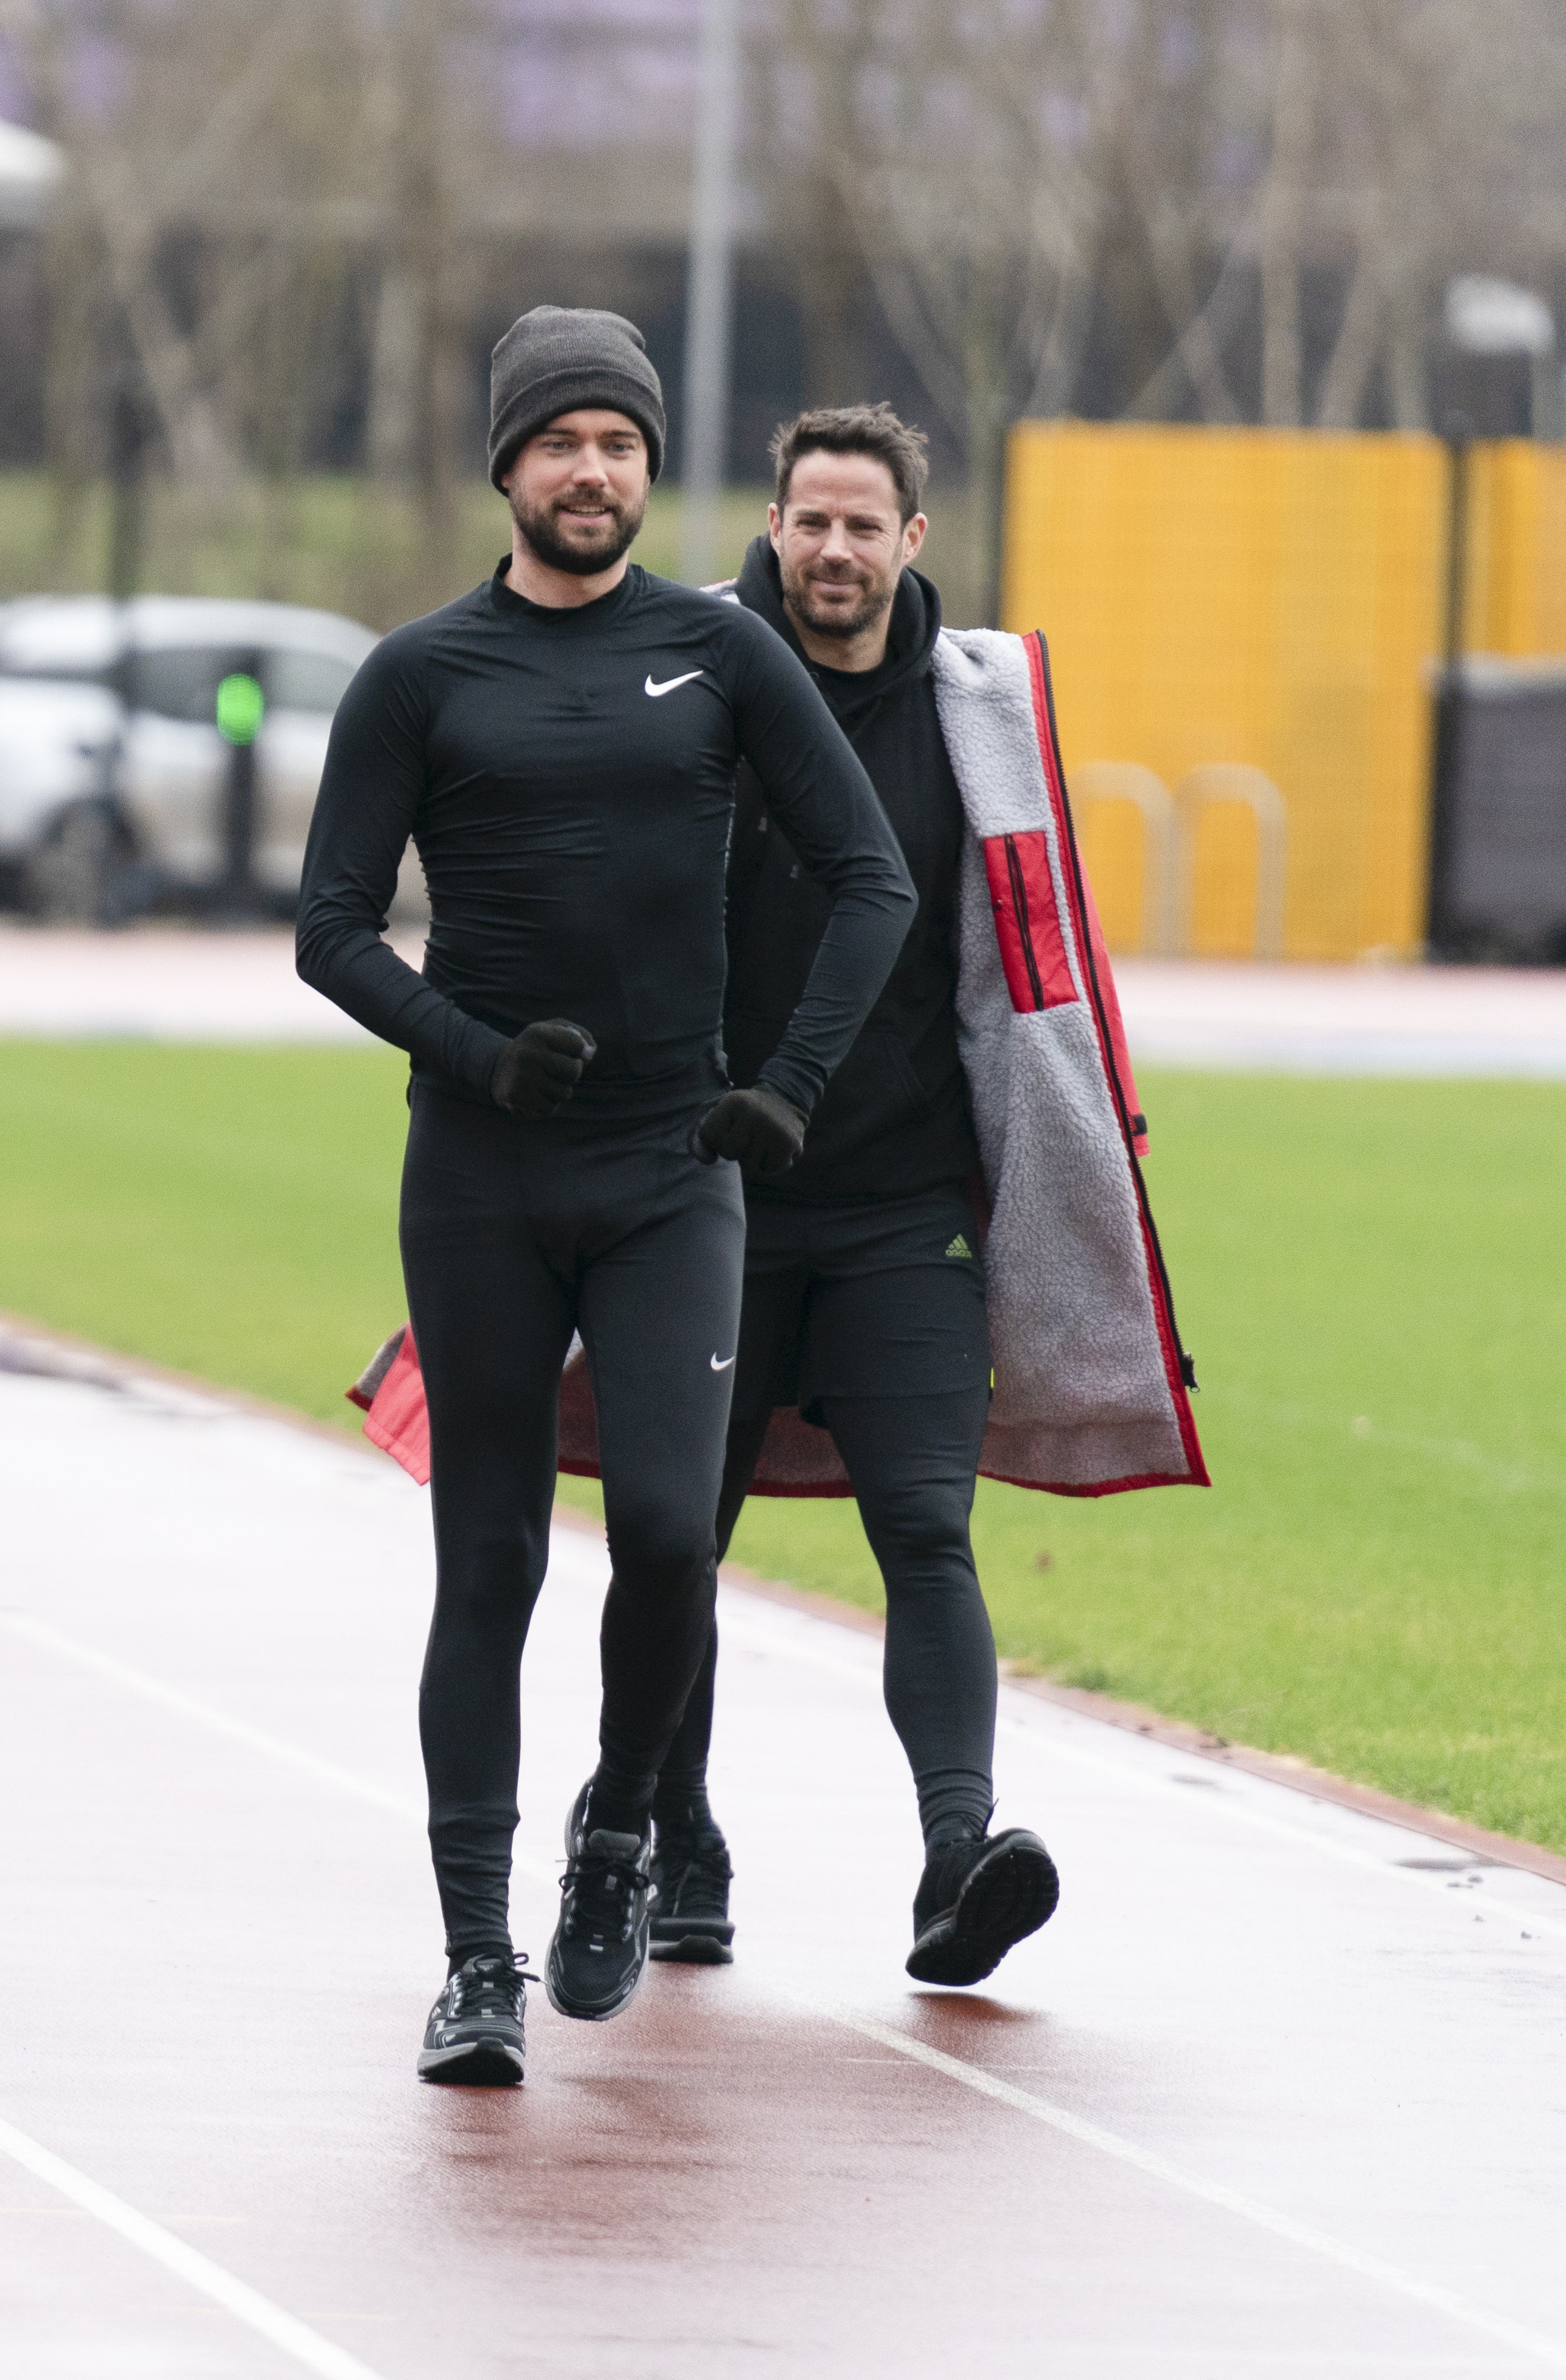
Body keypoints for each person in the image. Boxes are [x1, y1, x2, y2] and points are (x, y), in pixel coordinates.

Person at [296, 308, 913, 2088]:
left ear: (653, 470)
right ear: (507, 466)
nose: (592, 472)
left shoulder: (719, 654)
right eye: (560, 442)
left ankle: (625, 1825)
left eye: (622, 445)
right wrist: (475, 1056)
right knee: (484, 1560)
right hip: (481, 1173)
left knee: (663, 1536)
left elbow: (871, 878)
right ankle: (474, 1958)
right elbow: (331, 928)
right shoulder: (420, 674)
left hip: (669, 1175)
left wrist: (780, 1088)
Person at [642, 404, 1205, 1985]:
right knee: (679, 1539)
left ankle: (960, 1859)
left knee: (928, 1535)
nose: (830, 549)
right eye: (806, 521)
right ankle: (677, 1826)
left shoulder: (980, 720)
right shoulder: (691, 686)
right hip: (715, 1210)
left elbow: (1034, 967)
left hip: (902, 1209)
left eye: (859, 523)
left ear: (913, 540)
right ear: (770, 526)